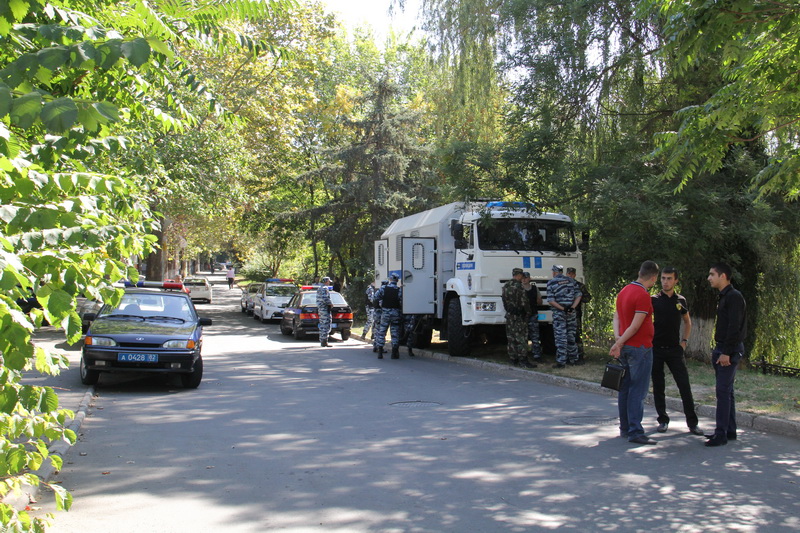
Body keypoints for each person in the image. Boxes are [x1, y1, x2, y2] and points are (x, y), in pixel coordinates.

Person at [610, 260, 659, 445]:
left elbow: (616, 316)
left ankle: (625, 427)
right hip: (640, 347)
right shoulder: (643, 295)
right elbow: (636, 325)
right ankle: (635, 431)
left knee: (625, 388)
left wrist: (618, 339)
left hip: (625, 346)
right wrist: (620, 342)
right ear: (653, 278)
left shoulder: (624, 291)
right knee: (638, 390)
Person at [651, 267, 702, 436]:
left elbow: (687, 322)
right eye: (663, 278)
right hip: (656, 349)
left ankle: (692, 423)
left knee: (684, 386)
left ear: (675, 281)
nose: (665, 281)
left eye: (669, 278)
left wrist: (684, 342)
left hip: (674, 350)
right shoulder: (653, 300)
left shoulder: (680, 300)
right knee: (659, 387)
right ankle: (663, 420)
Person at [705, 263, 747, 447]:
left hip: (727, 350)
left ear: (723, 276)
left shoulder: (734, 297)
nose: (709, 278)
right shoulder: (724, 297)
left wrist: (726, 353)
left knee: (722, 392)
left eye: (712, 274)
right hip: (722, 348)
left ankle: (720, 434)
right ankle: (729, 430)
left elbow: (734, 327)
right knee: (727, 392)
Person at [547, 264, 581, 368]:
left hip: (559, 313)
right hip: (571, 313)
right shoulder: (571, 281)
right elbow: (579, 295)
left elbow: (551, 300)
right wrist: (572, 308)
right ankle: (574, 360)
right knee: (571, 336)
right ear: (562, 271)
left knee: (561, 337)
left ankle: (561, 362)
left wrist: (563, 309)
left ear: (554, 272)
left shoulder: (551, 282)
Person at [501, 268, 536, 368]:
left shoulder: (506, 286)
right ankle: (523, 359)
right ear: (519, 275)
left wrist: (509, 309)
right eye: (522, 275)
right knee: (521, 338)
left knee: (511, 337)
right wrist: (528, 313)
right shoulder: (519, 287)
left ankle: (513, 359)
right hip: (519, 316)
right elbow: (524, 302)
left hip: (510, 315)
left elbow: (503, 299)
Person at [566, 267, 591, 362]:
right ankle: (568, 355)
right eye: (569, 274)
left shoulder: (580, 286)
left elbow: (587, 298)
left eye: (572, 274)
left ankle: (579, 355)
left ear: (574, 275)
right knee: (566, 335)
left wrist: (579, 298)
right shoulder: (563, 286)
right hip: (565, 313)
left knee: (577, 335)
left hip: (576, 314)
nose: (570, 275)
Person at [376, 274, 403, 359]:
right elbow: (402, 301)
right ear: (397, 280)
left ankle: (380, 352)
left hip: (385, 313)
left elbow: (376, 297)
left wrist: (380, 306)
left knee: (382, 331)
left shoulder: (384, 288)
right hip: (395, 313)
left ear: (390, 279)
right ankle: (394, 352)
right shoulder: (399, 290)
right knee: (395, 332)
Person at [521, 272, 543, 362]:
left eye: (526, 278)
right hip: (522, 316)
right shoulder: (519, 289)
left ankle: (537, 355)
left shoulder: (534, 288)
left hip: (533, 315)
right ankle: (523, 355)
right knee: (522, 336)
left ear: (529, 278)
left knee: (535, 336)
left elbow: (540, 301)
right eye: (523, 278)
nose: (524, 279)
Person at [316, 276, 333, 347]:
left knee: (322, 324)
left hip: (321, 308)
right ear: (326, 281)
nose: (329, 283)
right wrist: (330, 303)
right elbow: (325, 298)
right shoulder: (324, 288)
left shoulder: (319, 288)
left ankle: (323, 340)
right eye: (329, 281)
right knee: (326, 324)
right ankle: (324, 341)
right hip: (324, 309)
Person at [372, 280, 387, 353]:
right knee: (381, 331)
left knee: (377, 329)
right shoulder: (383, 292)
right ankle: (379, 346)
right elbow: (381, 304)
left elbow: (374, 301)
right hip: (381, 313)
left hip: (376, 313)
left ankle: (375, 345)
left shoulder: (377, 292)